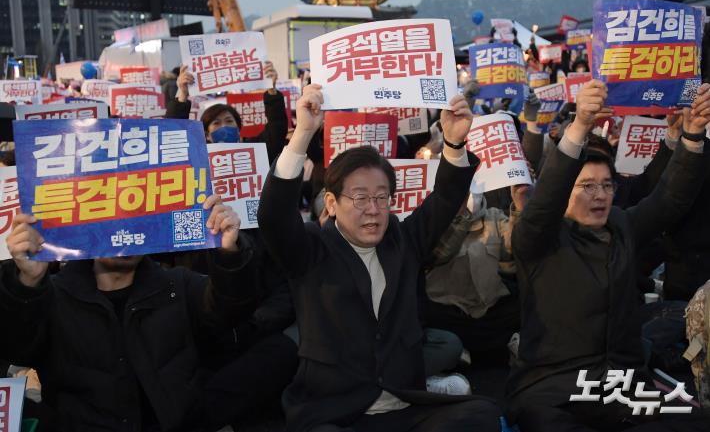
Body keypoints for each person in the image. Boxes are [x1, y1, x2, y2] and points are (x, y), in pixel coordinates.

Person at [257, 84, 501, 432]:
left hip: (404, 405)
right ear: (331, 203)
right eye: (359, 198)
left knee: (481, 415)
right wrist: (303, 135)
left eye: (381, 197)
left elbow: (446, 197)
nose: (372, 210)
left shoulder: (403, 240)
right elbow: (273, 216)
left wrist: (454, 144)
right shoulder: (310, 250)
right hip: (337, 413)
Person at [506, 80, 710, 432]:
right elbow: (543, 202)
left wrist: (692, 135)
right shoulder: (538, 238)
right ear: (563, 193)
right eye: (587, 186)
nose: (599, 195)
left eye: (606, 185)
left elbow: (668, 201)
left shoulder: (621, 226)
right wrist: (580, 126)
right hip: (555, 388)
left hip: (622, 385)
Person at [0, 195, 263, 431]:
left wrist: (230, 254)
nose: (123, 231)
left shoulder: (177, 286)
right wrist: (26, 285)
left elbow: (232, 309)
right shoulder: (53, 297)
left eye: (136, 219)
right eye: (111, 218)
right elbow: (17, 348)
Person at [421, 185, 529, 364]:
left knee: (525, 304)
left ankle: (486, 348)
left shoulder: (493, 216)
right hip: (448, 309)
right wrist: (462, 216)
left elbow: (518, 246)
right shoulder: (432, 220)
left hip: (487, 307)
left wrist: (520, 206)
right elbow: (438, 254)